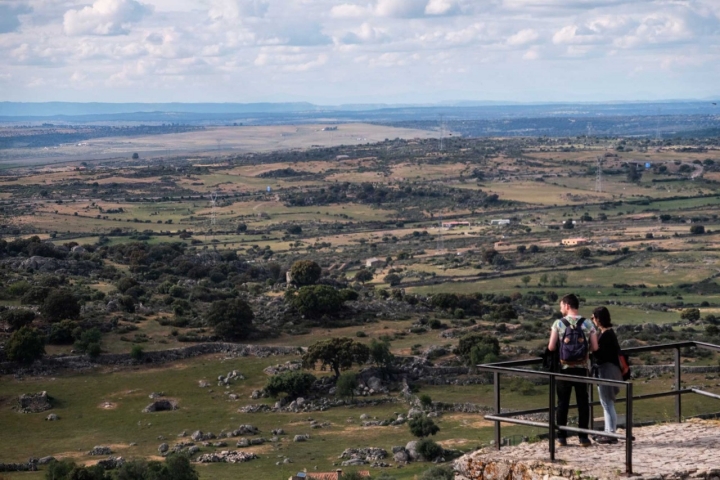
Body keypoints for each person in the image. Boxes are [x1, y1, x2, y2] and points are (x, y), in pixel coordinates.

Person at [548, 293, 598, 447]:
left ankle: (561, 437)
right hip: (582, 368)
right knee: (583, 402)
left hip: (564, 369)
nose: (560, 308)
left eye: (561, 305)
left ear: (567, 305)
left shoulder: (559, 323)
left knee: (562, 402)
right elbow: (595, 347)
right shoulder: (588, 324)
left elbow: (551, 346)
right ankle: (583, 437)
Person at [590, 306, 623, 444]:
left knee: (607, 403)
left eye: (593, 317)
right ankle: (609, 431)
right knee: (607, 403)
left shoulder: (606, 335)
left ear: (598, 319)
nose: (592, 320)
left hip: (606, 372)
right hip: (610, 370)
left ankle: (611, 434)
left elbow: (599, 355)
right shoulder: (608, 334)